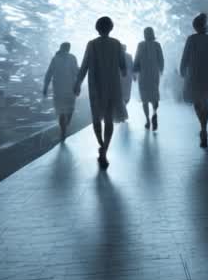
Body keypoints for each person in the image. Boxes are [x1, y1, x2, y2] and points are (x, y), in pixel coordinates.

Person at [76, 16, 129, 168]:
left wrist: (78, 83)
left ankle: (100, 144)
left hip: (96, 86)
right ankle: (105, 150)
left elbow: (84, 66)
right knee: (109, 119)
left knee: (96, 118)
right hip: (113, 85)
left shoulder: (91, 44)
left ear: (97, 28)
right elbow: (123, 69)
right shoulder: (117, 43)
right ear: (111, 28)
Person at [179, 13, 208, 148]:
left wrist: (182, 71)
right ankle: (204, 128)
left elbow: (185, 57)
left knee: (196, 101)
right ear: (205, 26)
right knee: (204, 100)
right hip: (207, 75)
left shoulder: (191, 39)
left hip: (193, 74)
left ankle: (203, 127)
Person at [42, 42, 78, 142]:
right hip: (65, 89)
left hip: (63, 89)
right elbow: (76, 72)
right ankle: (64, 130)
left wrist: (45, 87)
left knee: (64, 111)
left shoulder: (61, 58)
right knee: (65, 111)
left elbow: (49, 74)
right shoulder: (60, 58)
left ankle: (64, 129)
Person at [134, 27, 164, 131]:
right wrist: (161, 70)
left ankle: (147, 120)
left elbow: (136, 59)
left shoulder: (140, 45)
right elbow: (161, 60)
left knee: (145, 99)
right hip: (154, 74)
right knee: (154, 96)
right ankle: (154, 113)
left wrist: (134, 71)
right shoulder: (157, 45)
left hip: (143, 74)